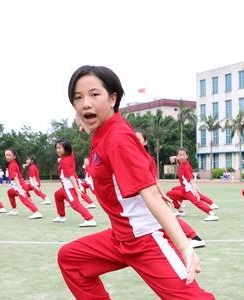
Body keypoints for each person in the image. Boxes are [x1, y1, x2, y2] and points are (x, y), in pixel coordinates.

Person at [57, 65, 214, 299]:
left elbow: (151, 194)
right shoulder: (103, 133)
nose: (85, 104)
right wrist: (83, 119)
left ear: (113, 98)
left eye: (94, 94)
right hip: (120, 238)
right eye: (78, 98)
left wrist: (184, 246)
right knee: (71, 259)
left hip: (144, 239)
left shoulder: (118, 138)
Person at [135, 129, 206, 249]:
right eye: (132, 140)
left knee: (168, 218)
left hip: (149, 196)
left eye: (138, 140)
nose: (135, 142)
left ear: (145, 142)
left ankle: (195, 238)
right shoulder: (134, 156)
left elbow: (154, 179)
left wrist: (161, 194)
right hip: (140, 196)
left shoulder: (147, 159)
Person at [167, 149, 219, 221]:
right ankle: (180, 211)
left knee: (197, 202)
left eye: (183, 155)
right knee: (170, 194)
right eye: (180, 155)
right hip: (183, 190)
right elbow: (179, 158)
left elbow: (191, 181)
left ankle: (212, 214)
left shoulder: (186, 167)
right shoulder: (181, 163)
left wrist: (195, 191)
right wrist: (175, 157)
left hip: (188, 190)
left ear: (187, 156)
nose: (181, 157)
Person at [4, 148, 42, 219]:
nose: (7, 156)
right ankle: (14, 210)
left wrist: (20, 188)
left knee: (25, 200)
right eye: (6, 155)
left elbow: (15, 177)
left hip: (20, 186)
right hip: (20, 185)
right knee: (10, 192)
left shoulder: (12, 165)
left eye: (9, 155)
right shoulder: (13, 163)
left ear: (14, 156)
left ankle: (37, 212)